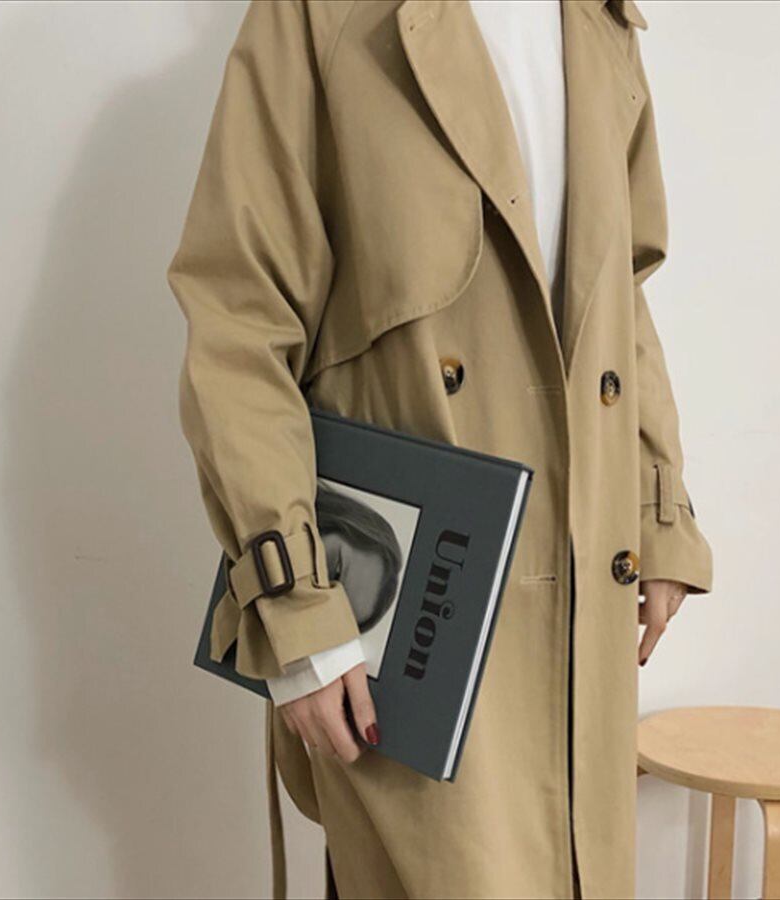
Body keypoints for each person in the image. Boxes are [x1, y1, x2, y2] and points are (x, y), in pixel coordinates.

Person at [166, 1, 714, 898]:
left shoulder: (601, 23)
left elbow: (621, 294)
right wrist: (297, 610)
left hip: (584, 591)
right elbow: (239, 320)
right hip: (412, 612)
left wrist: (660, 511)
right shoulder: (319, 17)